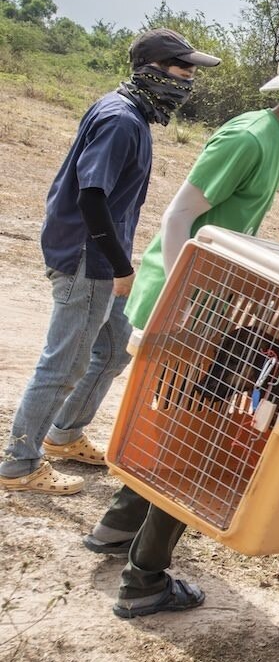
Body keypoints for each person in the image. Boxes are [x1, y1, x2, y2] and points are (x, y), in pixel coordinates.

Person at [84, 31, 279, 619]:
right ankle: (144, 579)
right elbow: (181, 214)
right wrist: (179, 301)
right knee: (197, 438)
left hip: (208, 306)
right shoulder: (250, 136)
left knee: (177, 426)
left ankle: (117, 529)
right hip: (185, 307)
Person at [0, 29, 219, 495]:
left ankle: (65, 433)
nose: (189, 81)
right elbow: (91, 197)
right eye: (184, 69)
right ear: (154, 70)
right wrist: (122, 266)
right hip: (88, 256)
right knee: (65, 363)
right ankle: (20, 463)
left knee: (117, 346)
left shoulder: (131, 115)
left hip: (101, 253)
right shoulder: (121, 119)